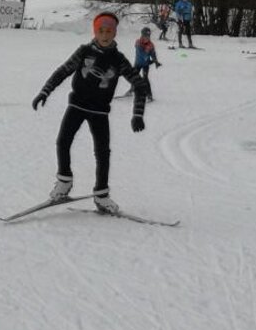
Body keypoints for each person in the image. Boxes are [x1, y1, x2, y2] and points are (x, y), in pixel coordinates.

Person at [31, 12, 149, 214]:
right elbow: (63, 71)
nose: (105, 35)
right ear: (95, 32)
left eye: (109, 31)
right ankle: (64, 182)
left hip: (100, 111)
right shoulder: (84, 52)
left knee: (103, 153)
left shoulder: (118, 60)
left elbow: (139, 85)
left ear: (114, 33)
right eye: (101, 31)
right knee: (63, 142)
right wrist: (45, 91)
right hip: (77, 106)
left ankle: (101, 196)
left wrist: (137, 114)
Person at [124, 26, 161, 101]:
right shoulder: (138, 42)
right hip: (138, 63)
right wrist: (149, 61)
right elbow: (141, 53)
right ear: (142, 35)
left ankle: (149, 95)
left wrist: (155, 61)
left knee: (145, 79)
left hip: (145, 65)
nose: (147, 38)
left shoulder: (151, 45)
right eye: (145, 36)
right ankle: (132, 90)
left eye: (148, 36)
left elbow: (153, 54)